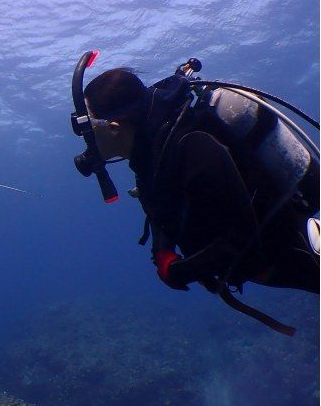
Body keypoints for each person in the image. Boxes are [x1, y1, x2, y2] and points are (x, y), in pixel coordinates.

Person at [72, 56, 319, 332]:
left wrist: (180, 272)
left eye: (86, 128)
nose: (85, 139)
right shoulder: (150, 155)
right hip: (271, 264)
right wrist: (163, 252)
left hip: (290, 248)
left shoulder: (191, 147)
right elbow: (159, 206)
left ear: (114, 128)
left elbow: (241, 242)